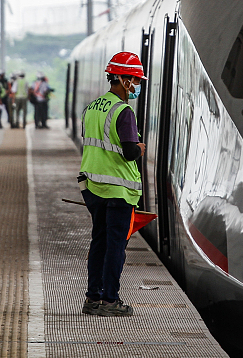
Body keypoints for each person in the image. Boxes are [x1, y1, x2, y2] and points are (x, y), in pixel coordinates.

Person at [79, 51, 146, 317]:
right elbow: (129, 152)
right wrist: (140, 148)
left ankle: (92, 298)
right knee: (116, 246)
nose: (136, 85)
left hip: (94, 187)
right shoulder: (123, 111)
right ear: (121, 78)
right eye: (134, 79)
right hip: (119, 190)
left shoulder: (92, 107)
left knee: (99, 241)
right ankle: (110, 300)